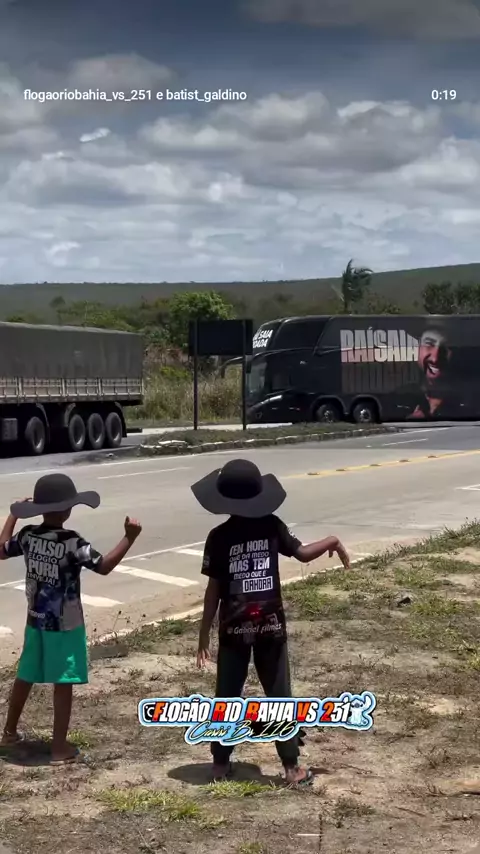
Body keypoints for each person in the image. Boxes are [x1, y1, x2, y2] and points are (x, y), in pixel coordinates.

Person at [191, 458, 350, 786]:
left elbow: (213, 590)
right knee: (279, 695)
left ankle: (220, 763)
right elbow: (303, 553)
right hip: (270, 625)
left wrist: (204, 632)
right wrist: (332, 540)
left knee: (227, 695)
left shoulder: (218, 536)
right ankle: (291, 769)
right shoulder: (271, 525)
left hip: (233, 628)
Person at [0, 473, 142, 765]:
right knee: (63, 682)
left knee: (25, 674)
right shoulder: (72, 542)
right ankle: (58, 747)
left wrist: (13, 516)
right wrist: (129, 538)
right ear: (67, 510)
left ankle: (9, 732)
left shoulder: (28, 535)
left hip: (35, 619)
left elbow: (1, 550)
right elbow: (103, 566)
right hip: (65, 624)